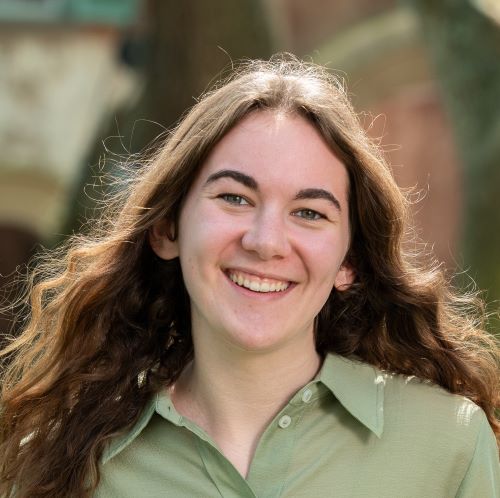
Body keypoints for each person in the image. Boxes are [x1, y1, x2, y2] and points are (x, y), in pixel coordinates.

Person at [0, 55, 499, 498]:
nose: (265, 242)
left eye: (309, 212)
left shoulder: (447, 445)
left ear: (350, 261)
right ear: (167, 228)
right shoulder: (56, 466)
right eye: (235, 198)